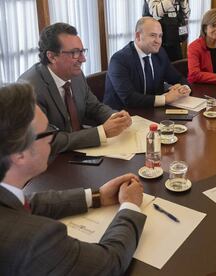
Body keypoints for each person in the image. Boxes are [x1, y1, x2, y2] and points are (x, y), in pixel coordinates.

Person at [0, 83, 146, 275]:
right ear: (19, 154)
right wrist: (130, 206)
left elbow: (28, 204)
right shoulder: (36, 239)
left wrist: (97, 196)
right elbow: (109, 263)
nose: (53, 138)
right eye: (47, 132)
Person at [18, 23, 131, 155]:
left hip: (81, 151)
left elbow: (93, 106)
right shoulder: (28, 89)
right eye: (75, 53)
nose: (83, 59)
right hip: (52, 162)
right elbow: (47, 140)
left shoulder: (75, 74)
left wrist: (115, 118)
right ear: (52, 56)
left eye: (82, 51)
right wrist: (102, 132)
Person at [104, 17, 190, 110]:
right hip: (123, 115)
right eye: (153, 35)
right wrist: (165, 99)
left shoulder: (160, 53)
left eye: (160, 36)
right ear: (138, 36)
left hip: (151, 111)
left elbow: (178, 78)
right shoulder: (119, 60)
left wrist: (184, 88)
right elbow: (129, 99)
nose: (158, 41)